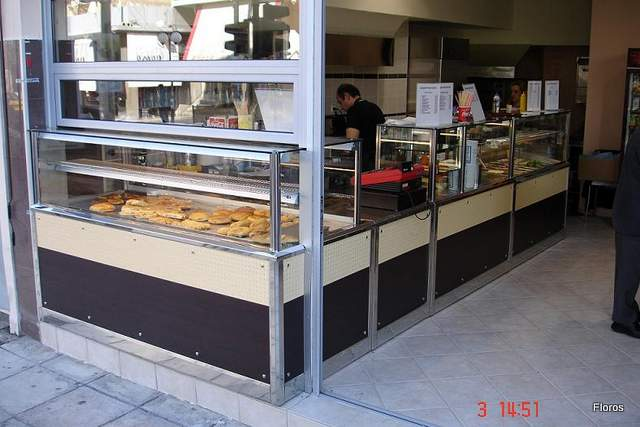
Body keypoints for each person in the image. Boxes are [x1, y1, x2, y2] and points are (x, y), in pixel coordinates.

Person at [611, 130, 640, 338]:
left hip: (631, 211)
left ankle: (628, 314)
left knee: (629, 270)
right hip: (633, 214)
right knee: (628, 272)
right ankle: (623, 320)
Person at [336, 84, 385, 171]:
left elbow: (351, 141)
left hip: (363, 160)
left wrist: (342, 153)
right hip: (378, 158)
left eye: (340, 102)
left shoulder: (353, 110)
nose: (341, 107)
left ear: (347, 96)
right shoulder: (375, 107)